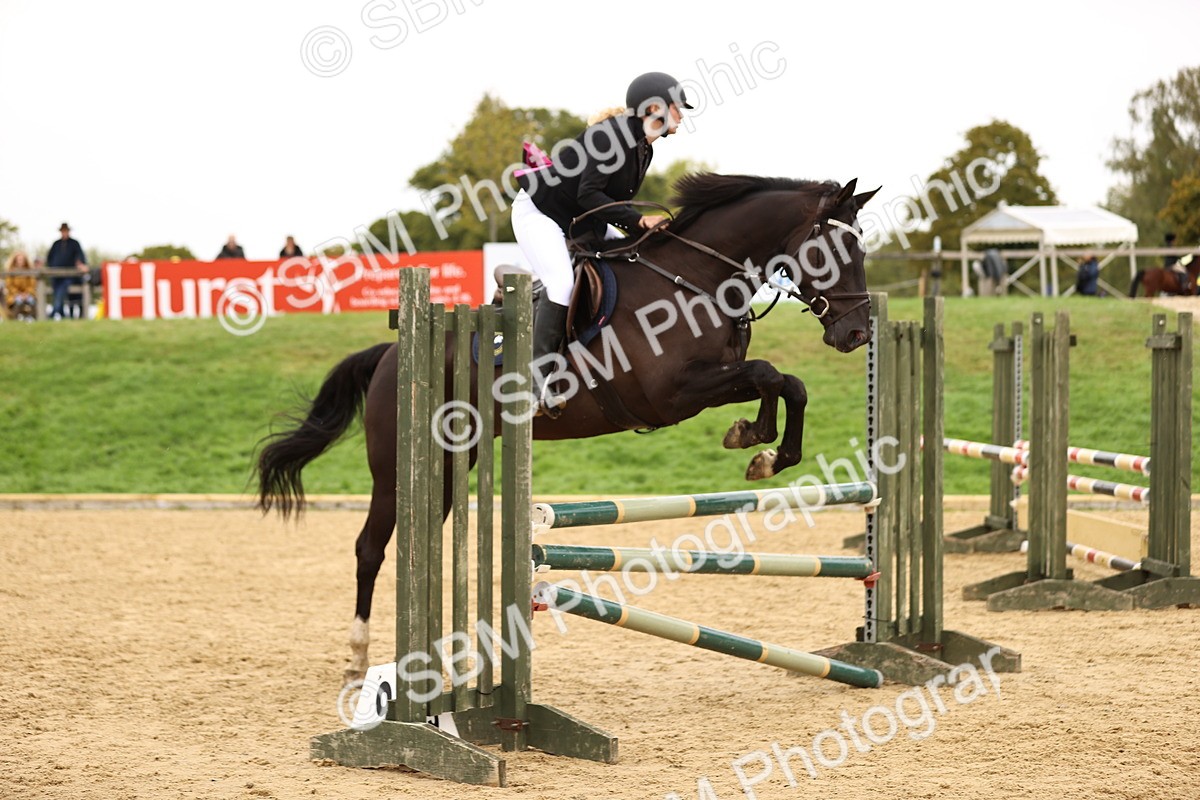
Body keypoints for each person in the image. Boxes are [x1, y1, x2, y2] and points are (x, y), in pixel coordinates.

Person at [511, 71, 692, 416]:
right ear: (654, 108)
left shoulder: (643, 148)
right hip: (541, 213)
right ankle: (533, 386)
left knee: (633, 257)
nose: (681, 116)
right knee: (562, 285)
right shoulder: (609, 136)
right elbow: (588, 193)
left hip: (581, 220)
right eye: (676, 108)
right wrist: (638, 221)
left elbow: (600, 203)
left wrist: (643, 233)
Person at [45, 222, 88, 320]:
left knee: (62, 293)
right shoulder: (56, 244)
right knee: (57, 292)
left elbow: (80, 257)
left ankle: (54, 313)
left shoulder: (74, 243)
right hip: (56, 276)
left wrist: (81, 265)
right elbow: (50, 258)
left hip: (71, 276)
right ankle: (60, 314)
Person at [3, 251, 38, 321]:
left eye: (22, 259)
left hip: (28, 294)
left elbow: (32, 285)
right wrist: (19, 294)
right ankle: (15, 319)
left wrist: (26, 294)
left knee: (31, 301)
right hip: (14, 295)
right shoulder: (10, 272)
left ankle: (32, 318)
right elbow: (9, 286)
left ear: (25, 261)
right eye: (19, 259)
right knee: (18, 301)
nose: (20, 261)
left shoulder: (30, 272)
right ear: (15, 260)